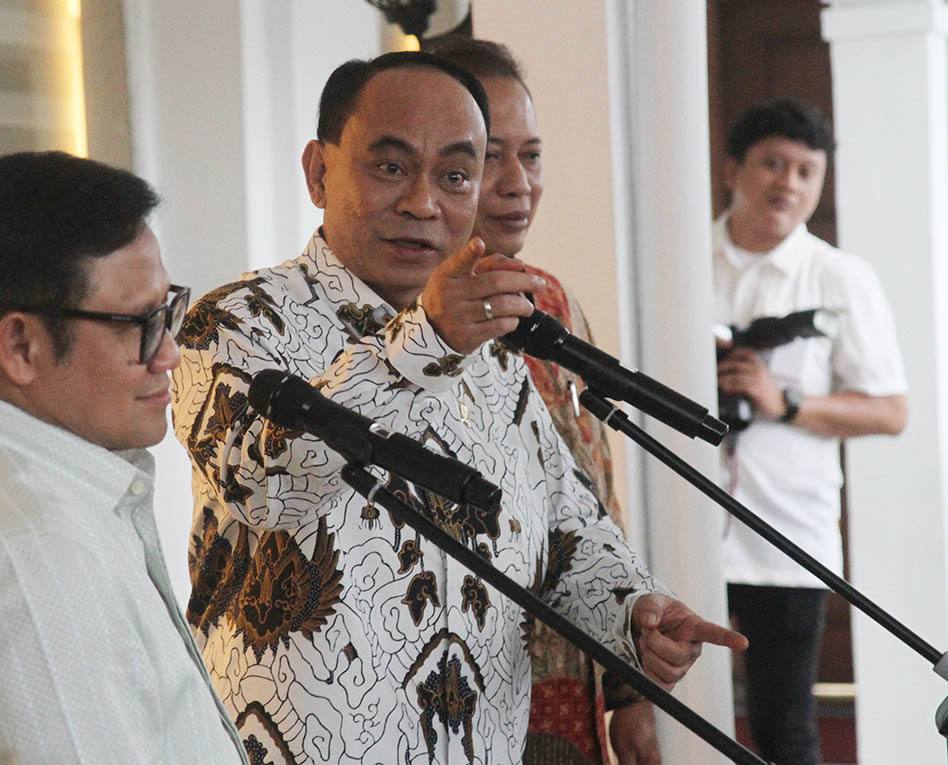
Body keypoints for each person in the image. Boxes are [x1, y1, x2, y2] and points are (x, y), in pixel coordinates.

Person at [172, 51, 745, 764]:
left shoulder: (494, 354)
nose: (423, 203)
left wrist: (635, 610)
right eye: (390, 167)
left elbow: (566, 531)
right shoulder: (236, 323)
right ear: (320, 172)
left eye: (454, 175)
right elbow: (266, 485)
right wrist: (426, 344)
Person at [0, 151, 246, 764]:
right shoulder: (39, 563)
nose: (170, 356)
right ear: (21, 345)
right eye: (139, 323)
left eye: (168, 310)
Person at [426, 36, 660, 765]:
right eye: (491, 155)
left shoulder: (549, 301)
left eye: (530, 156)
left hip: (569, 684)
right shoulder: (389, 325)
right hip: (456, 696)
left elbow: (596, 504)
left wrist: (633, 690)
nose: (516, 182)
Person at [714, 100, 908, 764]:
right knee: (673, 715)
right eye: (772, 163)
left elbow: (889, 410)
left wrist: (785, 402)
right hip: (682, 519)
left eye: (806, 171)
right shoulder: (679, 261)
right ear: (731, 168)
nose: (787, 184)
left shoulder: (841, 278)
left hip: (786, 533)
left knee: (784, 726)